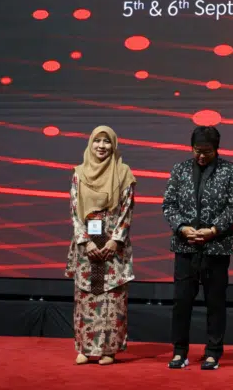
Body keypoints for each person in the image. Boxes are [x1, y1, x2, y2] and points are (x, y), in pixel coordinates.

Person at [162, 126, 233, 371]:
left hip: (216, 247)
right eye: (197, 151)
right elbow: (169, 204)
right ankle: (179, 351)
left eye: (206, 152)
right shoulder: (179, 170)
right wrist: (181, 227)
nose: (201, 156)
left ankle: (213, 352)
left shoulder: (231, 170)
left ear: (216, 149)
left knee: (215, 302)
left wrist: (213, 230)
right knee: (181, 301)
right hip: (185, 245)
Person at [66, 125, 136, 366]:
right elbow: (75, 210)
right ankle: (85, 348)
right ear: (90, 143)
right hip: (86, 245)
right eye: (97, 141)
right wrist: (85, 241)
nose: (102, 146)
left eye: (107, 142)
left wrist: (115, 240)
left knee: (111, 300)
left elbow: (127, 210)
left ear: (114, 145)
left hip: (113, 247)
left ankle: (108, 350)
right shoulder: (78, 173)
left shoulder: (124, 173)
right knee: (86, 297)